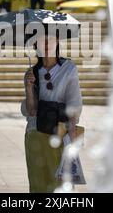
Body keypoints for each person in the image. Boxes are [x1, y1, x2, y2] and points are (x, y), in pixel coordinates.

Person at [21, 33, 83, 193]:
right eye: (41, 39)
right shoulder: (32, 73)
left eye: (50, 38)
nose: (46, 43)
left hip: (59, 135)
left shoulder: (69, 68)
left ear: (57, 41)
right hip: (36, 135)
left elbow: (74, 105)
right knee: (38, 187)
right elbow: (31, 110)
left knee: (60, 187)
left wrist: (72, 139)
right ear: (35, 45)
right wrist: (29, 87)